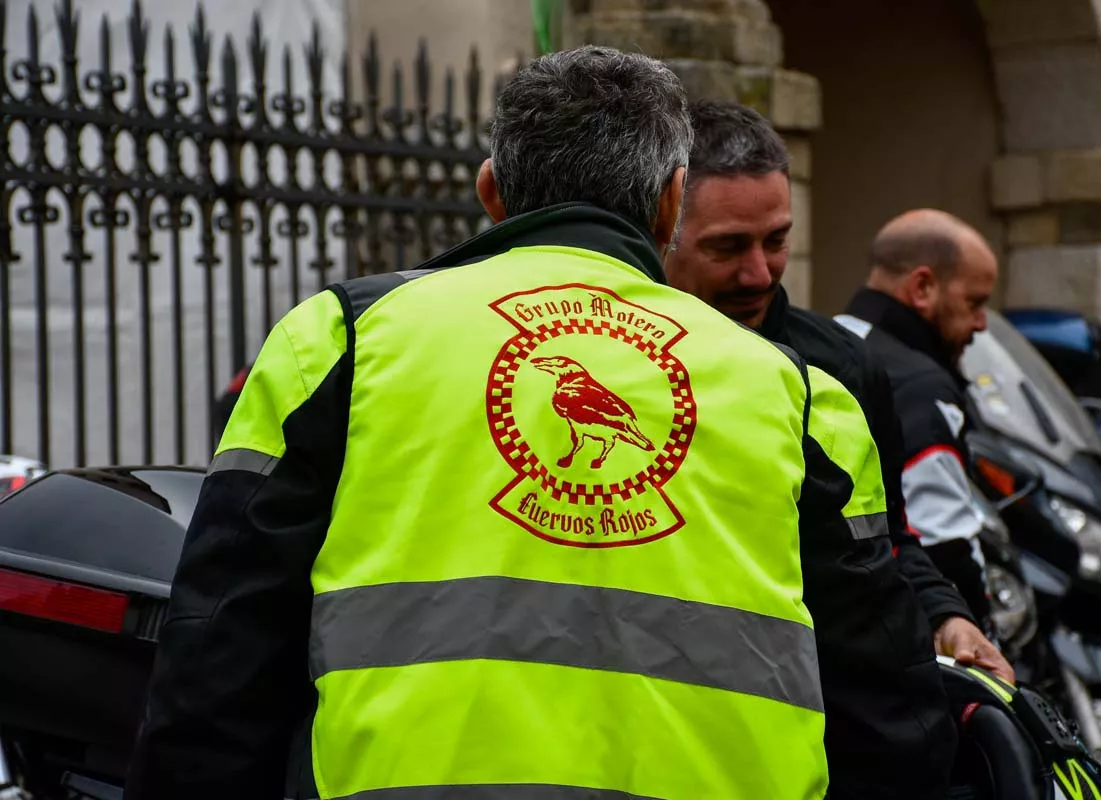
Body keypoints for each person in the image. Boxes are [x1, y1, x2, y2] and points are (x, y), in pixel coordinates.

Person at [125, 47, 832, 800]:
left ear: (491, 192)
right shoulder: (793, 387)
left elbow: (223, 641)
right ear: (671, 203)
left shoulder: (340, 339)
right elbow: (875, 680)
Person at [665, 100, 1016, 800]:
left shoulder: (843, 367)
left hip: (830, 743)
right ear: (661, 225)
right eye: (728, 247)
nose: (760, 274)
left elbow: (886, 540)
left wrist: (948, 615)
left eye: (777, 240)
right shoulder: (612, 362)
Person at [836, 209, 1000, 627]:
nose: (981, 323)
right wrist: (975, 627)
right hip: (910, 632)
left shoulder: (828, 340)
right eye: (974, 303)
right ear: (923, 287)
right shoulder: (919, 383)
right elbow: (943, 538)